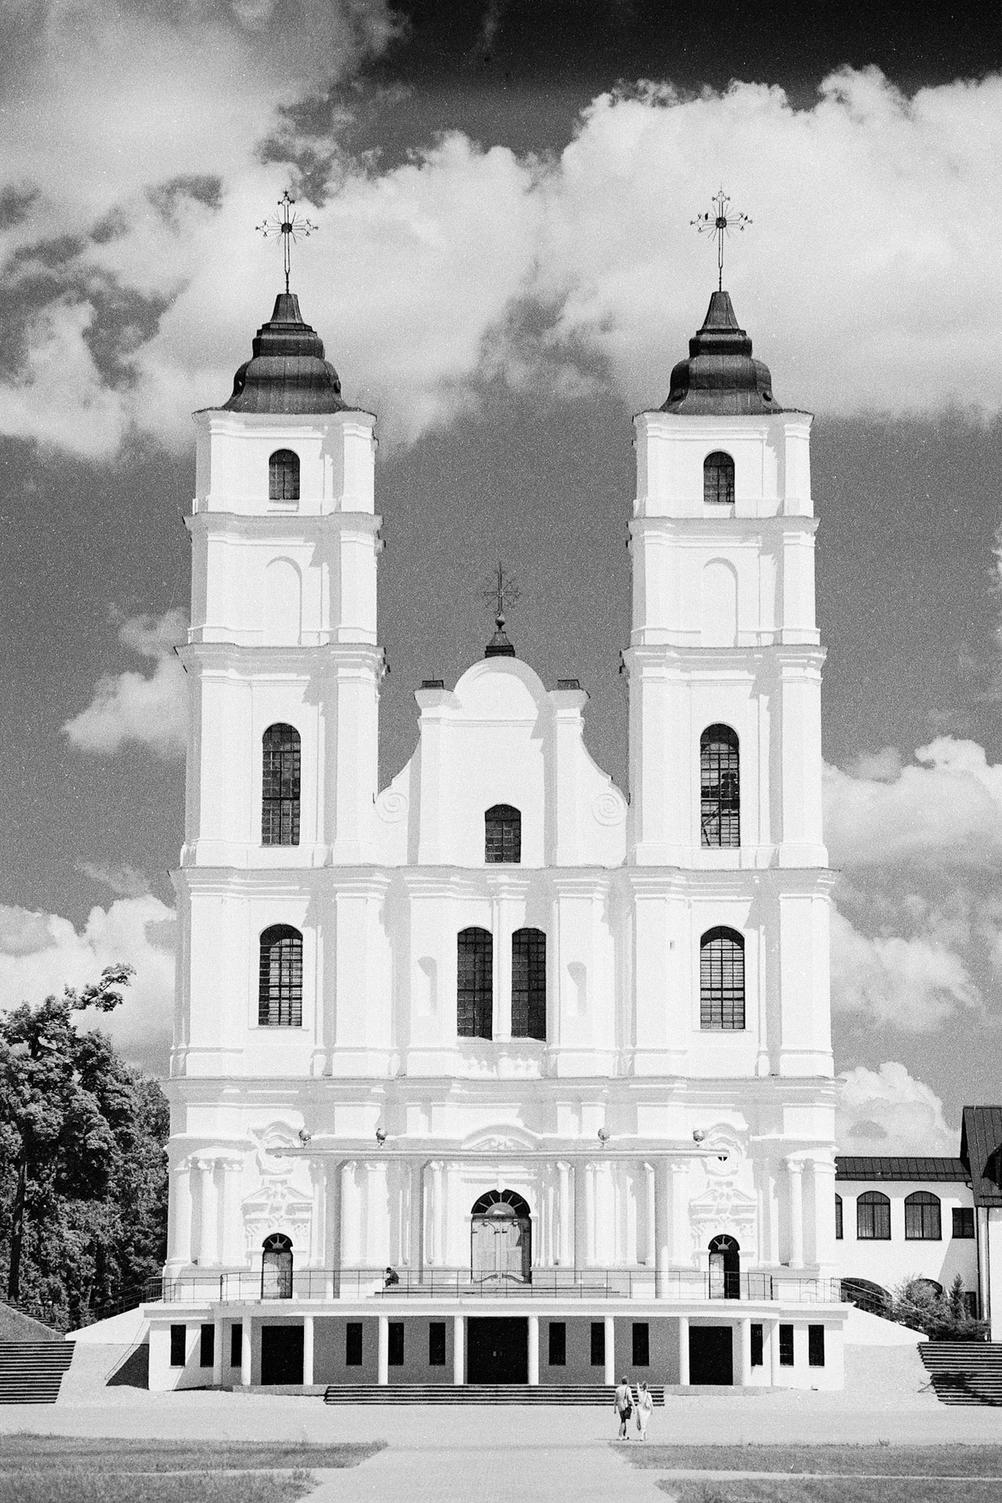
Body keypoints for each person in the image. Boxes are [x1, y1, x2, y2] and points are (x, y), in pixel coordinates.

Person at [613, 1374, 633, 1439]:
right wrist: (634, 1406)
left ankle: (624, 1435)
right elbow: (630, 1398)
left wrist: (614, 1409)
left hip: (619, 1405)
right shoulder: (627, 1388)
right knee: (623, 1420)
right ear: (627, 1381)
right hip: (625, 1405)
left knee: (623, 1419)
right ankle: (620, 1435)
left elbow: (615, 1399)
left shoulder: (617, 1389)